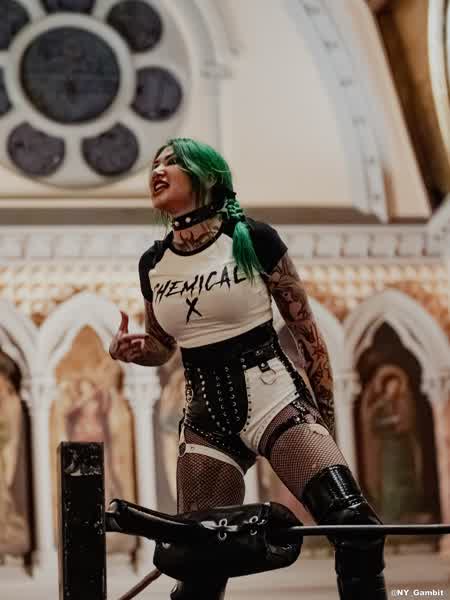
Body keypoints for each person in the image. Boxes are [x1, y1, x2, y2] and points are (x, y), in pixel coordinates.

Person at [109, 138, 387, 600]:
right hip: (205, 424)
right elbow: (162, 346)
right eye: (154, 164)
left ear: (207, 175)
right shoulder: (153, 263)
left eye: (172, 162)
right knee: (199, 566)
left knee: (355, 525)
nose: (157, 170)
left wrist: (327, 426)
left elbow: (309, 338)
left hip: (276, 404)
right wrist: (135, 350)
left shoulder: (254, 239)